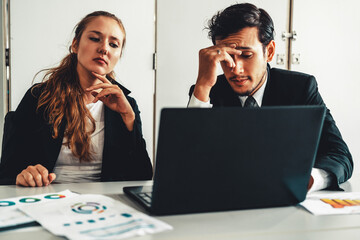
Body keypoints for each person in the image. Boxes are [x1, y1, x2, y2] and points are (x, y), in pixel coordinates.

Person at [188, 3, 353, 191]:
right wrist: (202, 85)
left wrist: (308, 179)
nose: (236, 69)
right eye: (226, 58)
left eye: (246, 55)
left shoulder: (300, 89)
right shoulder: (209, 92)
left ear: (270, 52)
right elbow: (186, 161)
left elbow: (340, 155)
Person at [0, 11, 153, 186]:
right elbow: (6, 172)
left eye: (113, 44)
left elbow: (143, 176)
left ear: (118, 56)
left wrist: (129, 118)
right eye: (95, 38)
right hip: (49, 200)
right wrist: (24, 175)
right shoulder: (38, 97)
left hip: (106, 204)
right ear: (75, 44)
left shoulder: (126, 105)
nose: (104, 48)